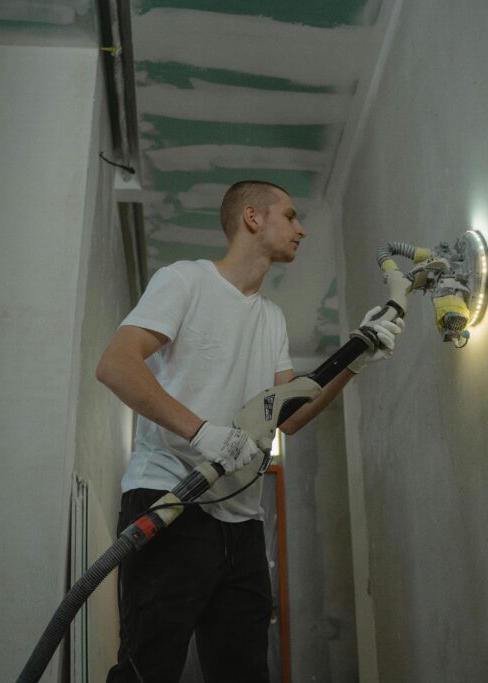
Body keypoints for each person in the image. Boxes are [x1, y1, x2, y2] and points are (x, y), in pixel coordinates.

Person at [96, 180, 403, 682]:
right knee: (146, 670)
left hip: (241, 524)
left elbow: (292, 416)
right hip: (170, 501)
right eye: (290, 215)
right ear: (253, 218)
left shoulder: (271, 319)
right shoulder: (186, 281)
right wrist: (200, 433)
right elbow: (116, 365)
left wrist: (357, 357)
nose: (301, 229)